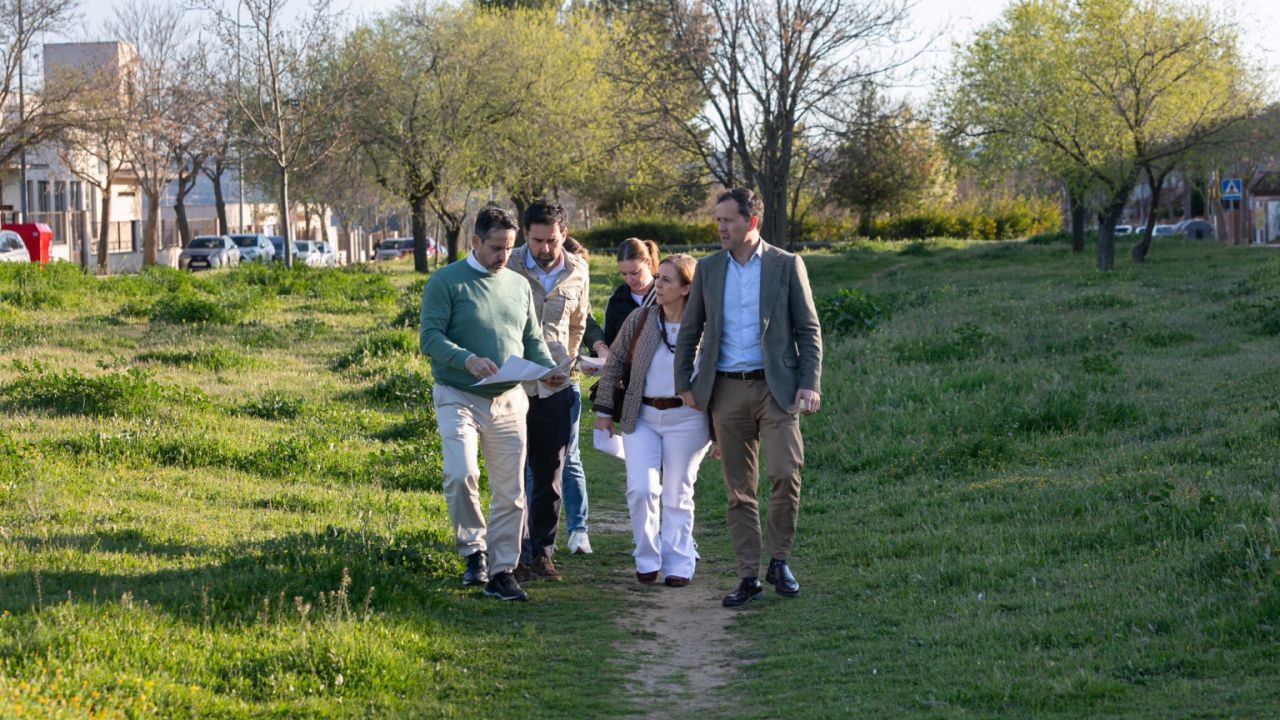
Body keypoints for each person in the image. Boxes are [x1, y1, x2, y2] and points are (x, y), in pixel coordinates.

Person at [675, 188, 823, 607]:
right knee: (738, 490)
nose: (720, 228)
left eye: (728, 220)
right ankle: (747, 576)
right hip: (725, 390)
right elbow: (690, 329)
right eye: (718, 220)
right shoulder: (708, 269)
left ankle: (779, 561)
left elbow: (808, 329)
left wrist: (810, 382)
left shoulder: (786, 264)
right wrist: (684, 383)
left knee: (785, 473)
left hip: (778, 389)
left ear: (751, 222)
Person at [419, 206, 565, 602]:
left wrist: (547, 371)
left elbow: (532, 340)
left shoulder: (518, 285)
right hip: (458, 395)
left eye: (510, 248)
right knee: (461, 473)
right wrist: (466, 359)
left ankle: (502, 571)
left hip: (509, 399)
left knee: (511, 491)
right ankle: (473, 552)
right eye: (496, 247)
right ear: (475, 242)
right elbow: (430, 338)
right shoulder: (446, 281)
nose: (504, 255)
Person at [593, 254, 710, 586]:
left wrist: (722, 430)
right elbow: (615, 363)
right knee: (641, 489)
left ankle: (679, 563)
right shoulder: (641, 318)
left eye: (666, 280)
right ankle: (647, 557)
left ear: (687, 288)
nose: (656, 285)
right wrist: (604, 412)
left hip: (689, 418)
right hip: (641, 415)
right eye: (657, 277)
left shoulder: (707, 327)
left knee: (677, 492)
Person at [510, 199, 591, 582]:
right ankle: (513, 554)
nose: (545, 249)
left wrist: (567, 365)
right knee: (512, 472)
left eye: (552, 241)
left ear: (564, 234)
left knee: (550, 474)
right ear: (525, 234)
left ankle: (542, 553)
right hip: (511, 384)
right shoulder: (506, 265)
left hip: (555, 387)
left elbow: (577, 325)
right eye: (537, 241)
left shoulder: (578, 271)